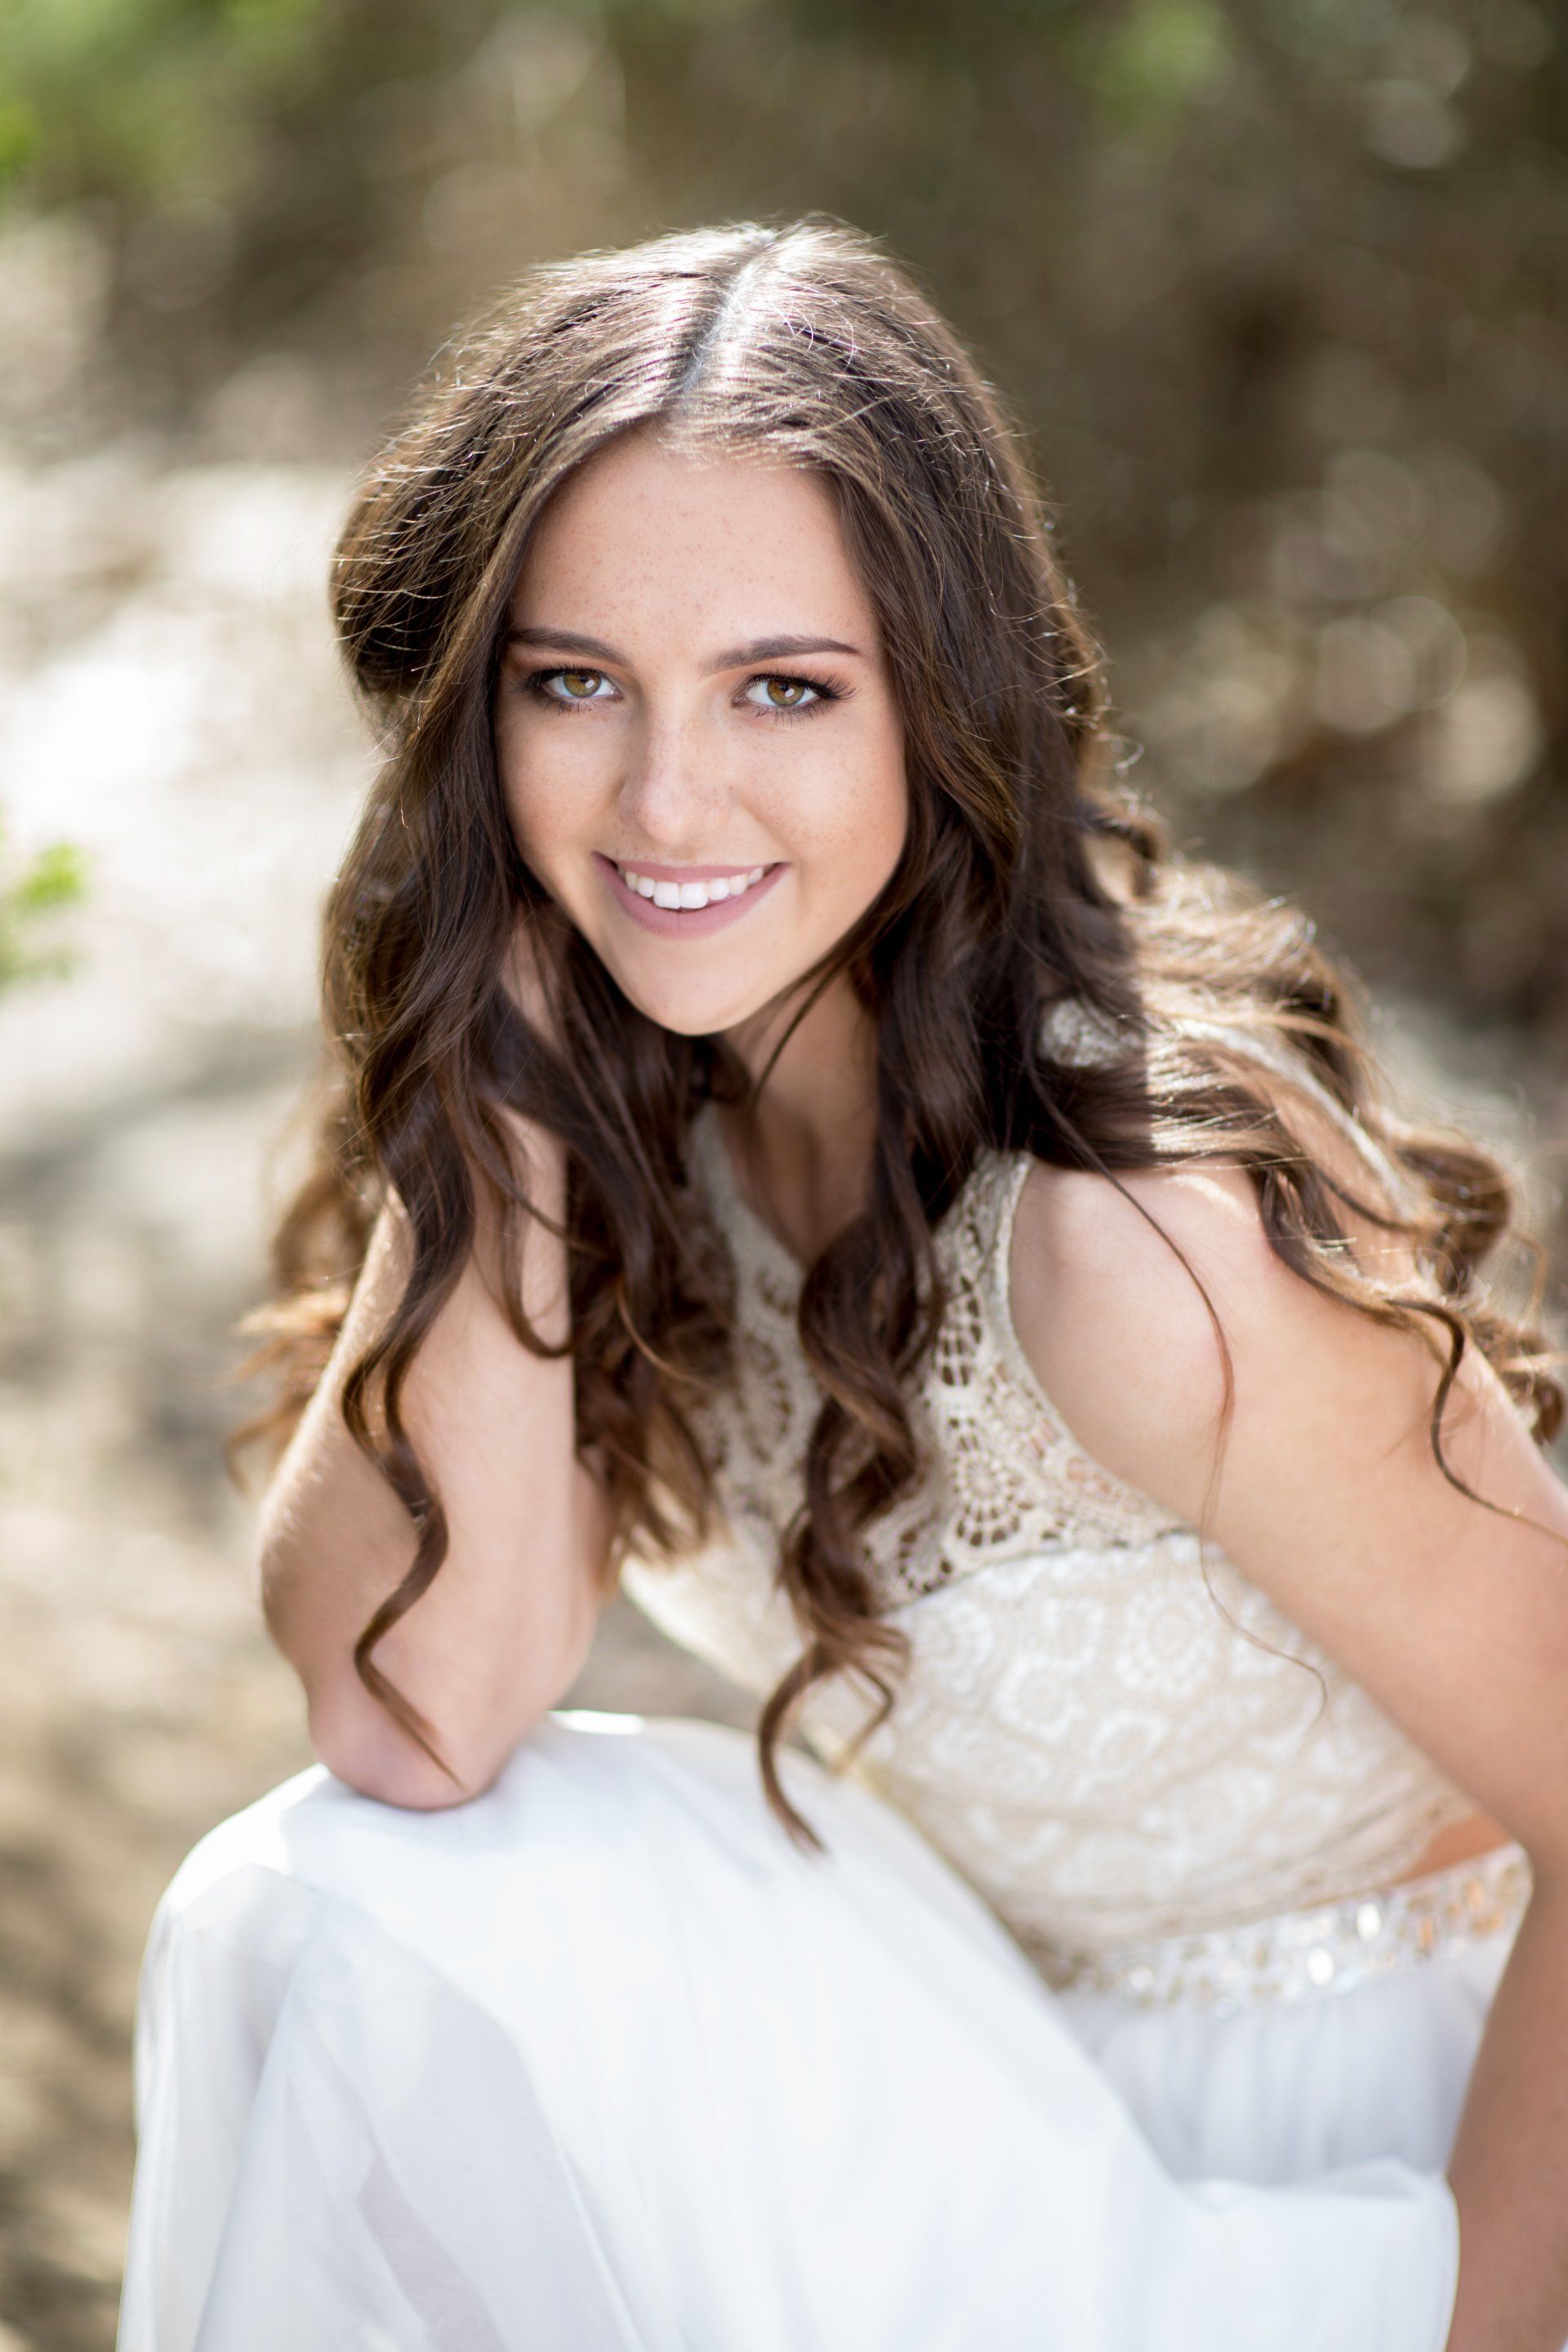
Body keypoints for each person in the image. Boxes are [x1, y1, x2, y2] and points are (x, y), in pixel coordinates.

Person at [115, 218, 1568, 2352]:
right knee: (321, 1907)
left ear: (941, 706)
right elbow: (408, 1719)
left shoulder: (1125, 1222)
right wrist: (490, 1073)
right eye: (572, 685)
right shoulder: (621, 1115)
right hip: (999, 2080)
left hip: (1413, 2150)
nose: (666, 796)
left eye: (784, 687)